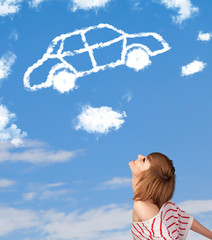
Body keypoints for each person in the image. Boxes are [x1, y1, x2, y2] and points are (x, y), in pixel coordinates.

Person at [129, 152, 212, 240]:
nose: (139, 156)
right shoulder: (160, 199)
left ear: (147, 176)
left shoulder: (141, 205)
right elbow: (183, 218)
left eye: (144, 160)